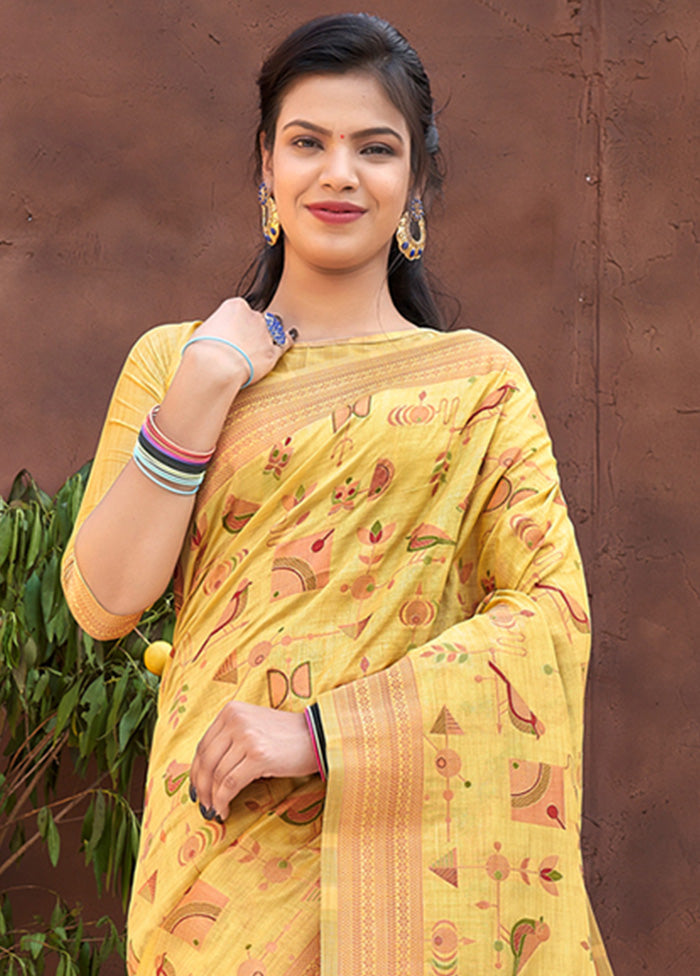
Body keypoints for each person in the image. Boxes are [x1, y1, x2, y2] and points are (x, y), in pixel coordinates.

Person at [61, 13, 614, 976]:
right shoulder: (175, 362)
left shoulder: (477, 382)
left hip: (410, 860)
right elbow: (102, 603)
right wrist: (202, 390)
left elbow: (549, 618)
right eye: (308, 142)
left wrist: (325, 734)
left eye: (376, 148)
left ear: (415, 185)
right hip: (218, 860)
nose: (339, 173)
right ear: (266, 168)